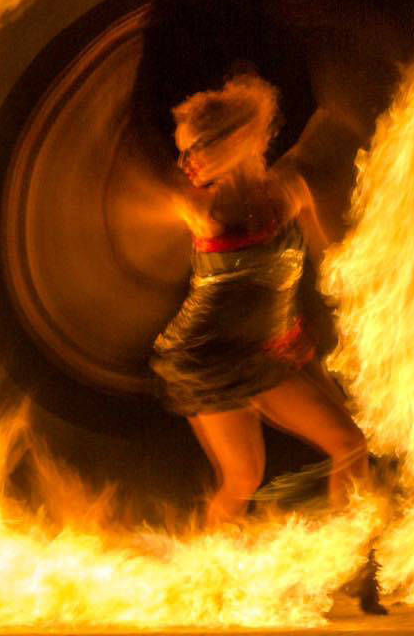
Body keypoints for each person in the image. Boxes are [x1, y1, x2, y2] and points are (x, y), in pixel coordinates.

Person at [151, 72, 370, 527]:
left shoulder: (291, 191)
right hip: (208, 360)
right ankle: (208, 581)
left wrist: (299, 335)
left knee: (350, 444)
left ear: (235, 140)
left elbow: (318, 267)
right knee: (243, 479)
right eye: (182, 150)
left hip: (266, 352)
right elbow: (157, 193)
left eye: (196, 148)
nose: (186, 162)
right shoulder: (205, 211)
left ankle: (358, 557)